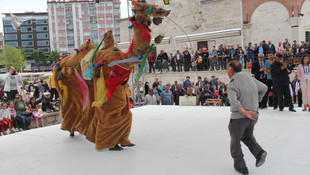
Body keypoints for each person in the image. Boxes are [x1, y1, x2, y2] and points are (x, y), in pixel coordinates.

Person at [226, 60, 268, 175]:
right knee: (247, 136)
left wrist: (245, 112)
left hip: (239, 118)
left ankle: (241, 166)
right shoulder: (250, 78)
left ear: (231, 71)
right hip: (253, 116)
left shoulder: (233, 84)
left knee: (235, 142)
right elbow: (264, 88)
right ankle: (259, 153)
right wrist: (256, 104)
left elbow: (234, 103)